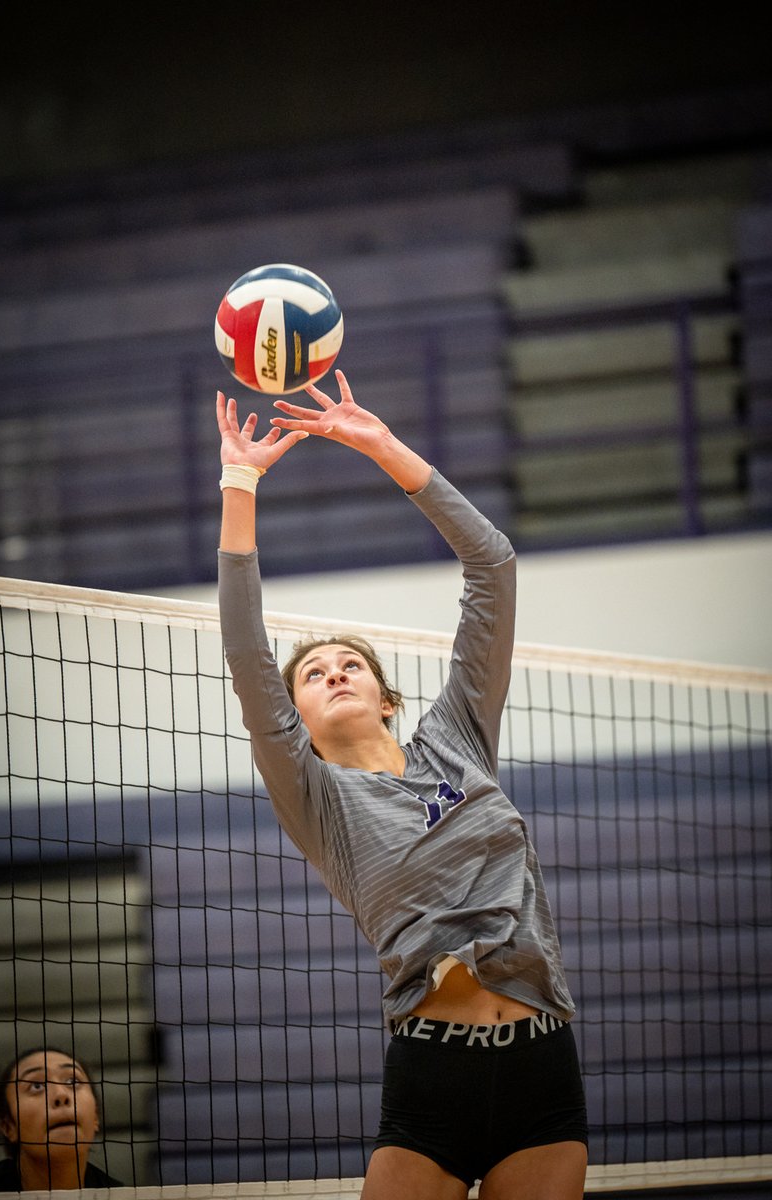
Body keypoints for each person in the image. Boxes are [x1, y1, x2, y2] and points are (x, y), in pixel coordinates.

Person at [217, 370, 588, 1200]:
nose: (335, 671)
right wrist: (239, 484)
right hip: (433, 1071)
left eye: (352, 664)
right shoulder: (314, 796)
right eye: (313, 673)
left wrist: (382, 447)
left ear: (387, 699)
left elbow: (492, 563)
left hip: (542, 1062)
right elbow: (247, 656)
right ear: (296, 716)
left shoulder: (455, 737)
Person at [0, 1047, 122, 1193]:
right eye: (36, 1086)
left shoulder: (121, 1195)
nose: (61, 1095)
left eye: (73, 1081)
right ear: (8, 1127)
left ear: (95, 1115)